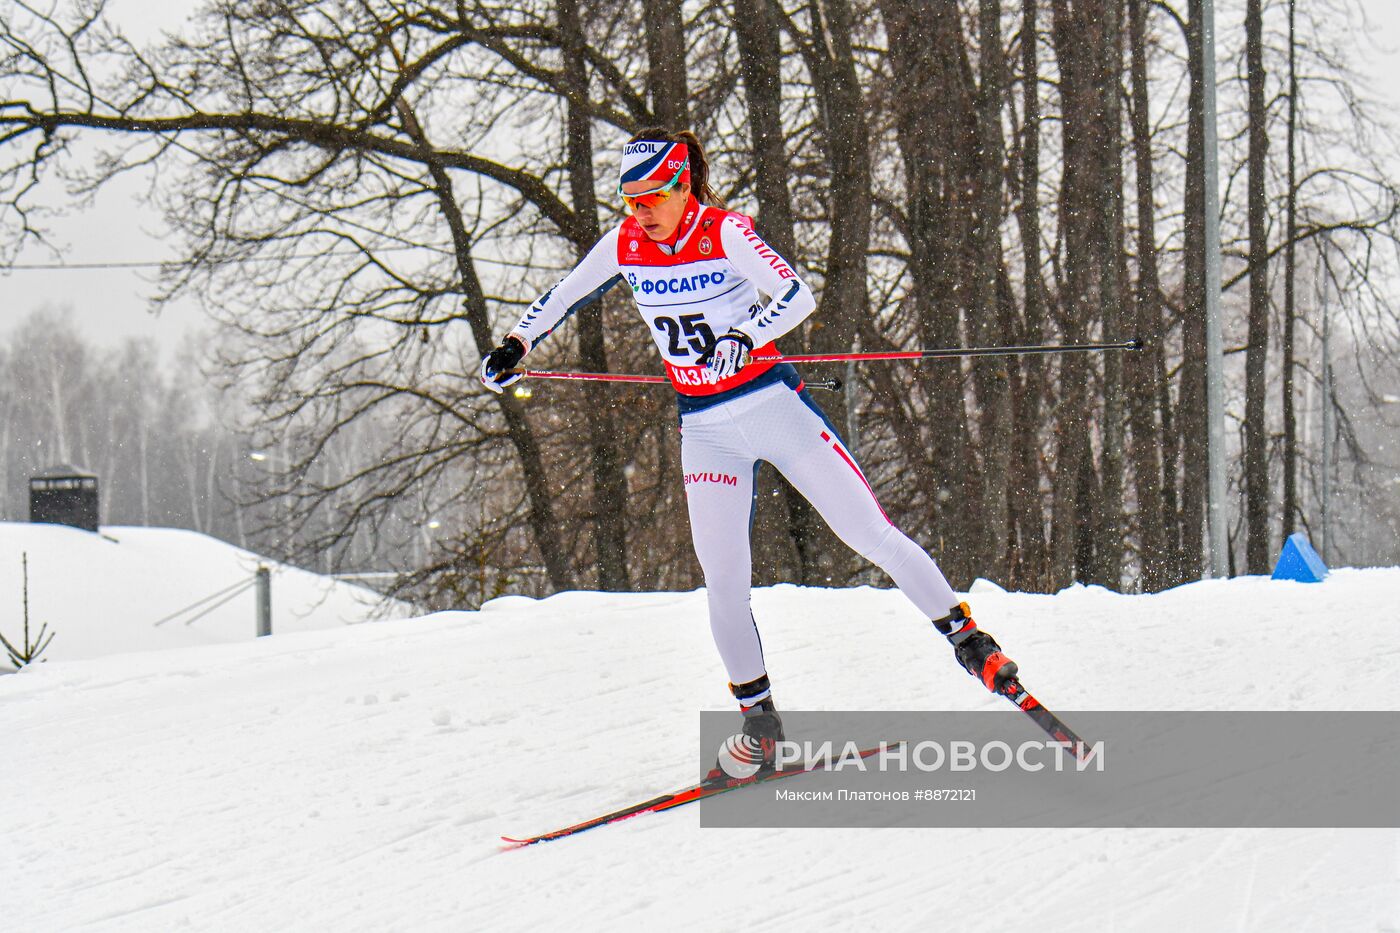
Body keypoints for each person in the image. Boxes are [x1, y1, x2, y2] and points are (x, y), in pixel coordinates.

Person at [480, 128, 1018, 767]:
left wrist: (744, 331)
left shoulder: (724, 231)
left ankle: (973, 645)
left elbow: (796, 294)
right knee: (724, 582)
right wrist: (516, 345)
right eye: (630, 200)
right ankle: (760, 724)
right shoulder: (625, 245)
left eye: (652, 195)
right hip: (705, 431)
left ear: (683, 185)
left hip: (773, 410)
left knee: (869, 534)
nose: (641, 211)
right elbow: (562, 296)